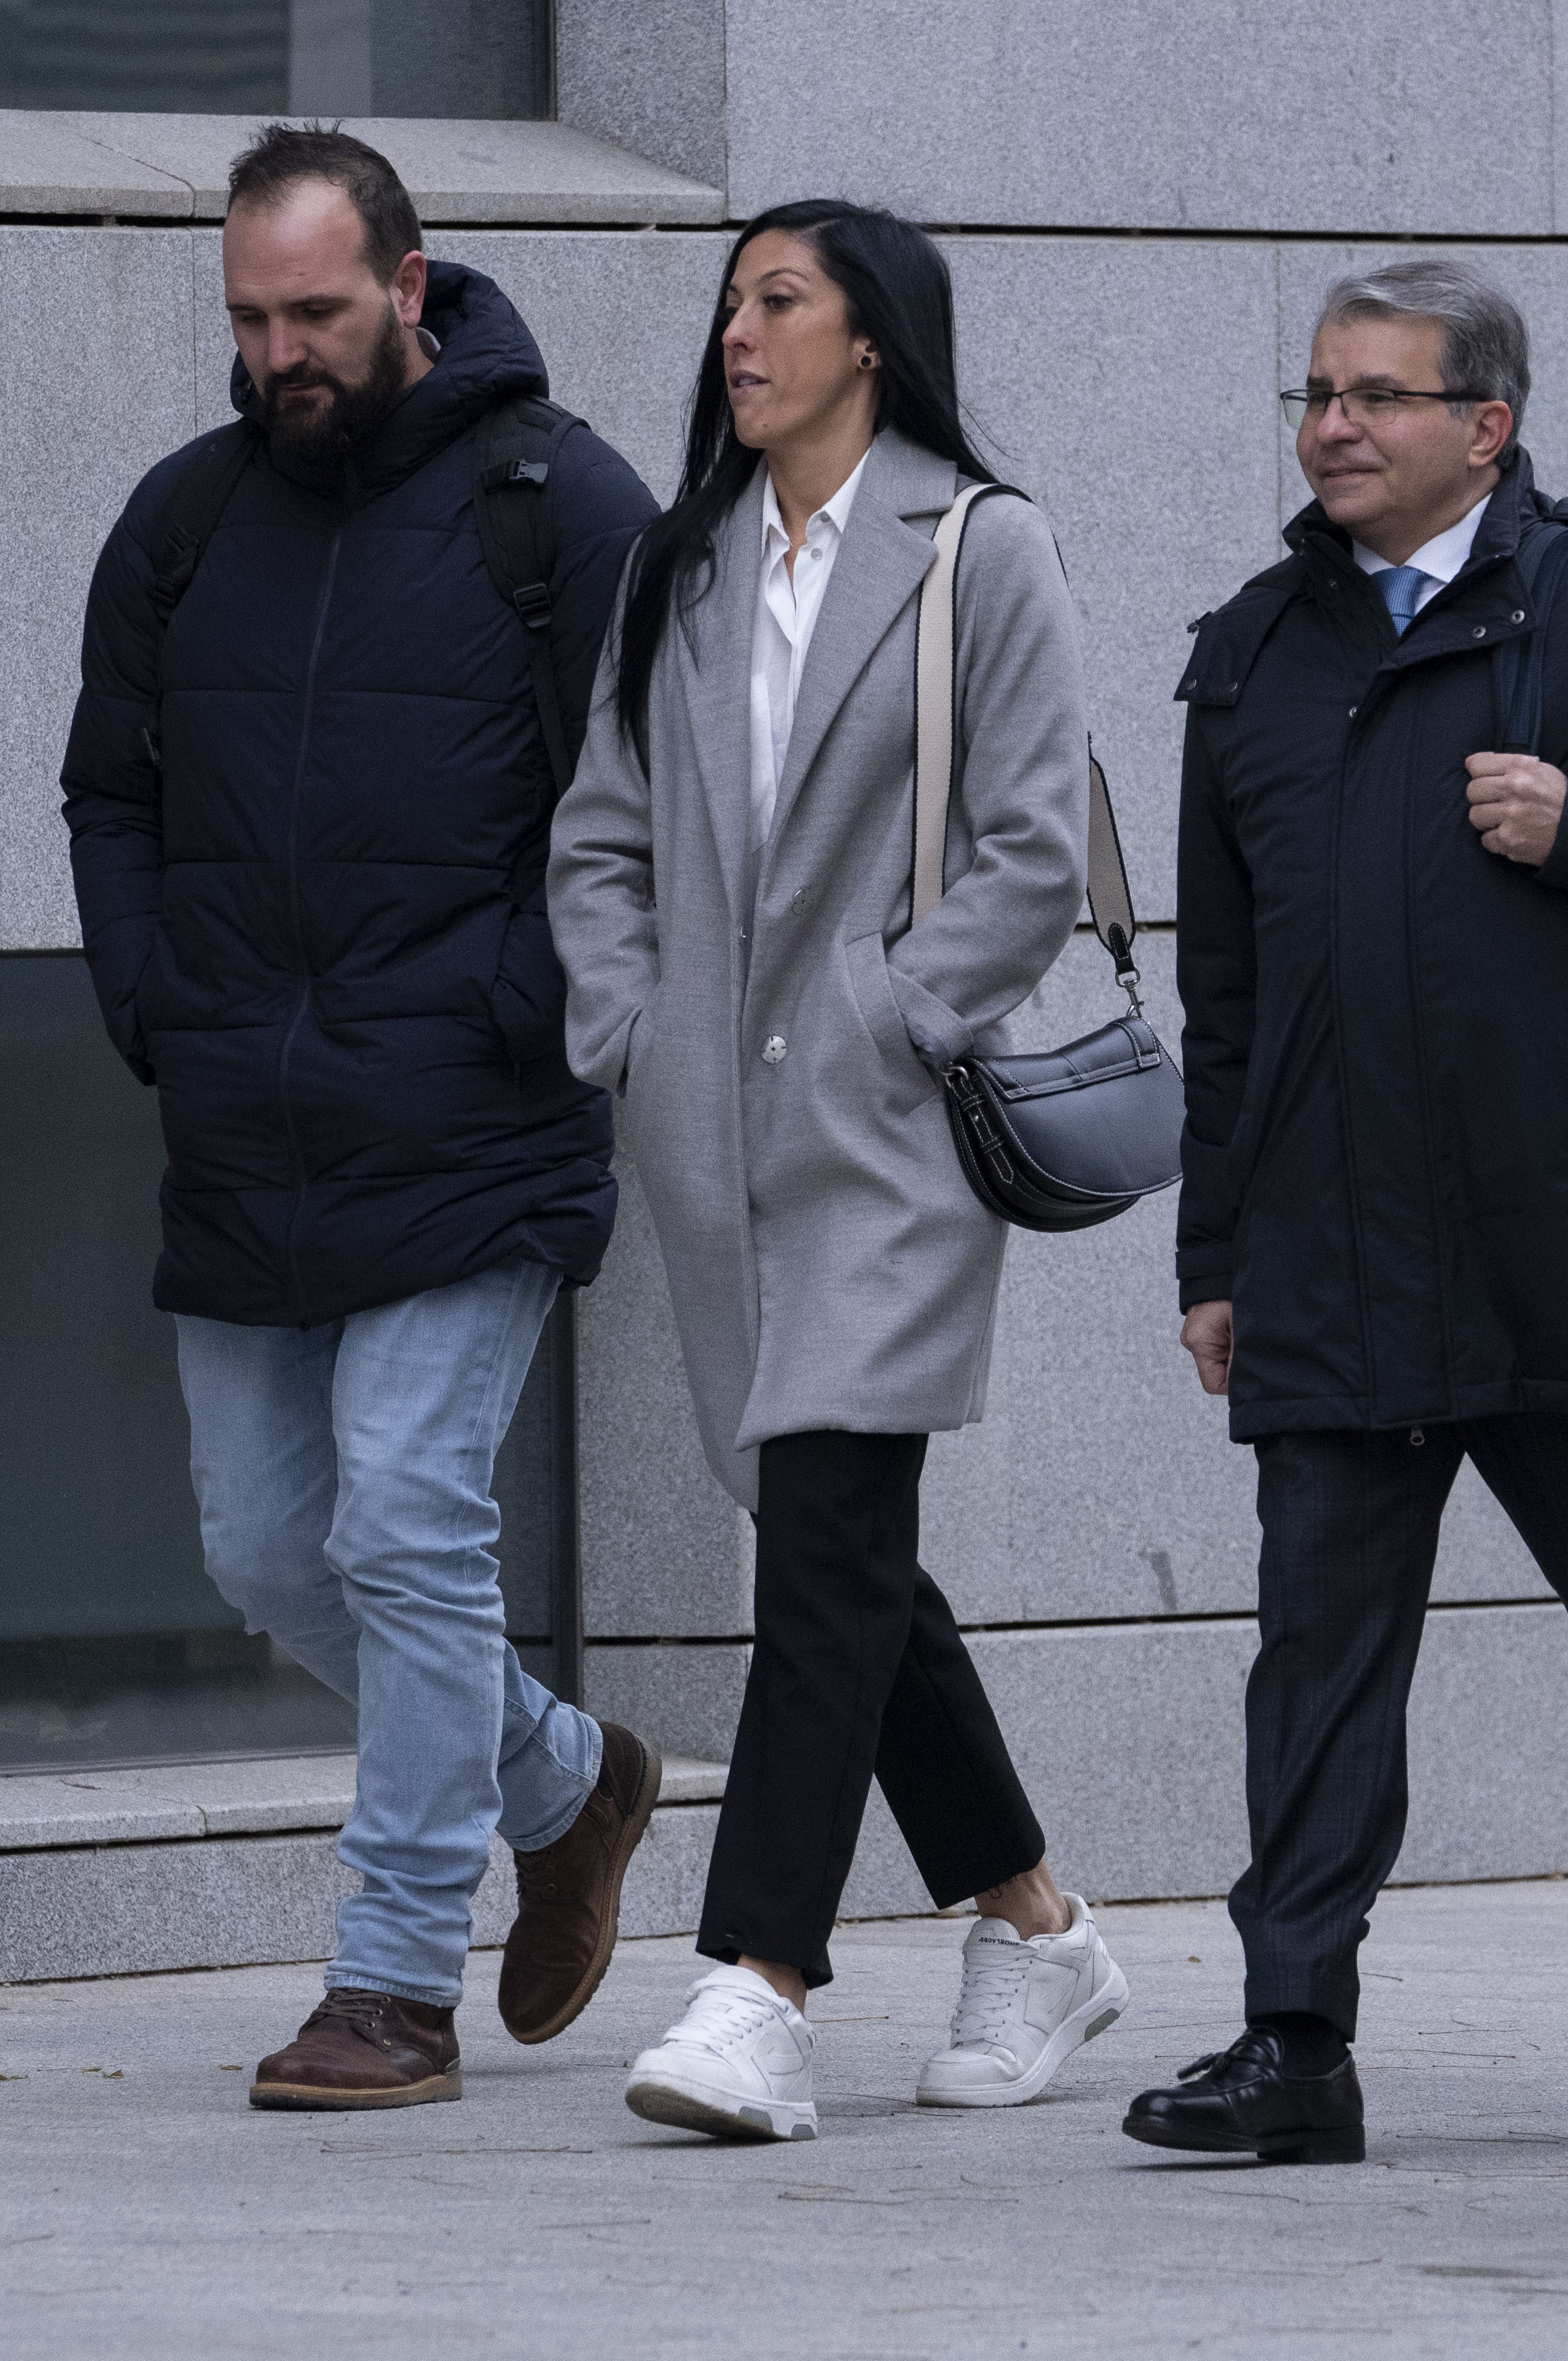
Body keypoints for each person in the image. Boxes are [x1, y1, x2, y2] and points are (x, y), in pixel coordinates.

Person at [1120, 261, 1568, 2168]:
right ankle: (1296, 2041)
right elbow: (1232, 997)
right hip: (1328, 1245)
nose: (1332, 425)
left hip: (1554, 1229)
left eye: (1377, 396)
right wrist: (1215, 1254)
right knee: (1318, 1646)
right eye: (1317, 392)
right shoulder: (1259, 647)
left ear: (1487, 427)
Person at [59, 126, 665, 2111]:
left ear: (412, 284)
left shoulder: (560, 509)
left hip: (478, 1116)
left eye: (313, 309)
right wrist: (154, 996)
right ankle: (566, 1783)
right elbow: (113, 793)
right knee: (266, 1552)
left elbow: (648, 813)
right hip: (245, 1110)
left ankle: (393, 1978)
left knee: (409, 1517)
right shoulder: (182, 522)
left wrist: (523, 1010)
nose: (278, 351)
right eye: (248, 316)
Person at [549, 199, 1129, 2145]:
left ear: (870, 335)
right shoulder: (682, 563)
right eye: (727, 303)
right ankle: (1038, 1927)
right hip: (711, 1141)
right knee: (846, 1556)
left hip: (883, 1138)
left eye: (776, 299)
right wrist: (629, 1037)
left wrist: (892, 1015)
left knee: (820, 1547)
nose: (737, 332)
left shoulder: (984, 545)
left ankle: (757, 1986)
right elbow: (600, 842)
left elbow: (1033, 848)